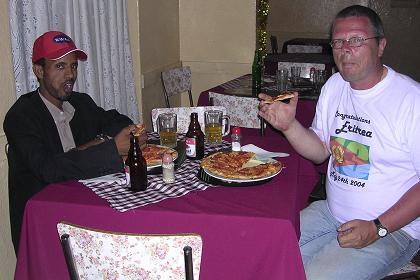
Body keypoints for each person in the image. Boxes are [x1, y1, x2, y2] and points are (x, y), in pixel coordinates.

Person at [259, 5, 420, 280]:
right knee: (264, 255)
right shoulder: (335, 85)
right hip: (330, 213)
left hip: (392, 229)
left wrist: (378, 227)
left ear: (381, 45)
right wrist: (289, 126)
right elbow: (321, 150)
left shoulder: (410, 100)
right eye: (338, 41)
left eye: (356, 40)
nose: (345, 48)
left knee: (312, 277)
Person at [3, 31, 141, 253]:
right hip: (46, 226)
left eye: (73, 66)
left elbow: (120, 121)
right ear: (39, 71)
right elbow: (48, 169)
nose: (70, 75)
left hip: (87, 207)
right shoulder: (21, 116)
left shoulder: (80, 102)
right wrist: (110, 148)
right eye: (60, 67)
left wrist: (97, 142)